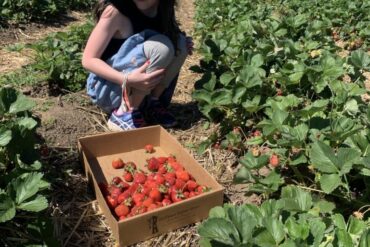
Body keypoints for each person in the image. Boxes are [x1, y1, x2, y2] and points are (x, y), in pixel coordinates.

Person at [82, 0, 193, 131]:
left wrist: (185, 44)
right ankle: (124, 113)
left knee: (180, 42)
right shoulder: (116, 11)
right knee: (160, 47)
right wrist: (126, 79)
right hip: (109, 89)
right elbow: (88, 60)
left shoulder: (163, 7)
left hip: (142, 87)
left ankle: (152, 103)